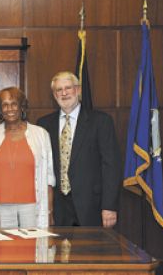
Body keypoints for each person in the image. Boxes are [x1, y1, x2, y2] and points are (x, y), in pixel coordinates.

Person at [37, 71, 121, 227]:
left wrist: (109, 206)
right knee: (57, 250)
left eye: (68, 88)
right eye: (59, 90)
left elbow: (111, 166)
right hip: (57, 206)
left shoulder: (101, 122)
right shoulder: (43, 125)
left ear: (78, 90)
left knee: (89, 250)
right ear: (54, 95)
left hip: (91, 206)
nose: (64, 93)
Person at [0, 87, 55, 228]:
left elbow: (49, 176)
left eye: (14, 103)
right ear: (0, 110)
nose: (10, 108)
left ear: (22, 107)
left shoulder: (40, 134)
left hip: (32, 205)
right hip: (0, 206)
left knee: (31, 247)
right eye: (5, 104)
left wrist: (49, 211)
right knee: (4, 248)